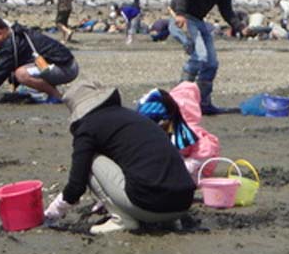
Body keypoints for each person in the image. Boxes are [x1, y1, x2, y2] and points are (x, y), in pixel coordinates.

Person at [44, 80, 196, 235]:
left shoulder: (87, 129)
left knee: (91, 161)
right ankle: (168, 221)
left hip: (151, 206)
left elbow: (76, 185)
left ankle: (121, 219)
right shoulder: (131, 117)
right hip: (183, 203)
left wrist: (52, 213)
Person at [168, 0, 249, 114]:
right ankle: (179, 102)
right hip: (182, 17)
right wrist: (181, 13)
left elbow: (225, 7)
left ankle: (203, 104)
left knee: (211, 63)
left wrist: (239, 26)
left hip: (198, 20)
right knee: (199, 56)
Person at [0, 16, 79, 103]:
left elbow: (0, 71)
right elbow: (12, 65)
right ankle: (51, 93)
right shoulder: (16, 35)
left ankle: (56, 96)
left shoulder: (11, 43)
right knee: (19, 75)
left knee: (21, 74)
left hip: (66, 68)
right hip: (59, 65)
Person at [135, 82, 220, 177]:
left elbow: (206, 149)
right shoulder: (166, 128)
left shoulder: (189, 131)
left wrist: (189, 164)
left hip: (196, 166)